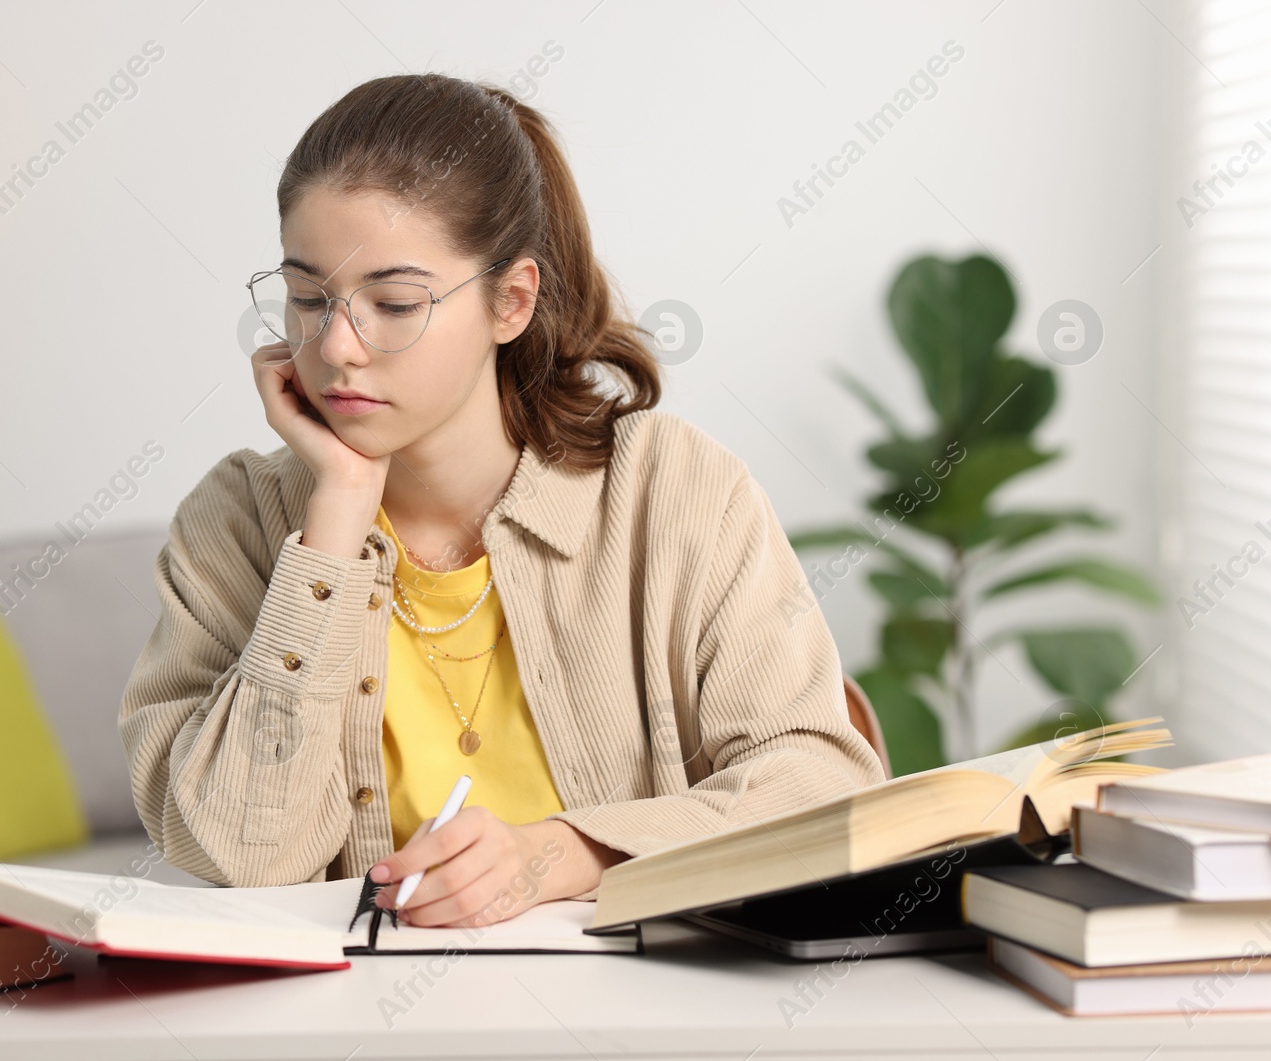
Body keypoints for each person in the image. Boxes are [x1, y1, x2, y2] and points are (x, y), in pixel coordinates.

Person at [118, 72, 885, 929]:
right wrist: (333, 523)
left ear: (510, 302)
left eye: (394, 303)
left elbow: (826, 787)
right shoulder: (234, 522)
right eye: (308, 297)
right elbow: (247, 857)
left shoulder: (676, 491)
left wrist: (562, 852)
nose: (335, 346)